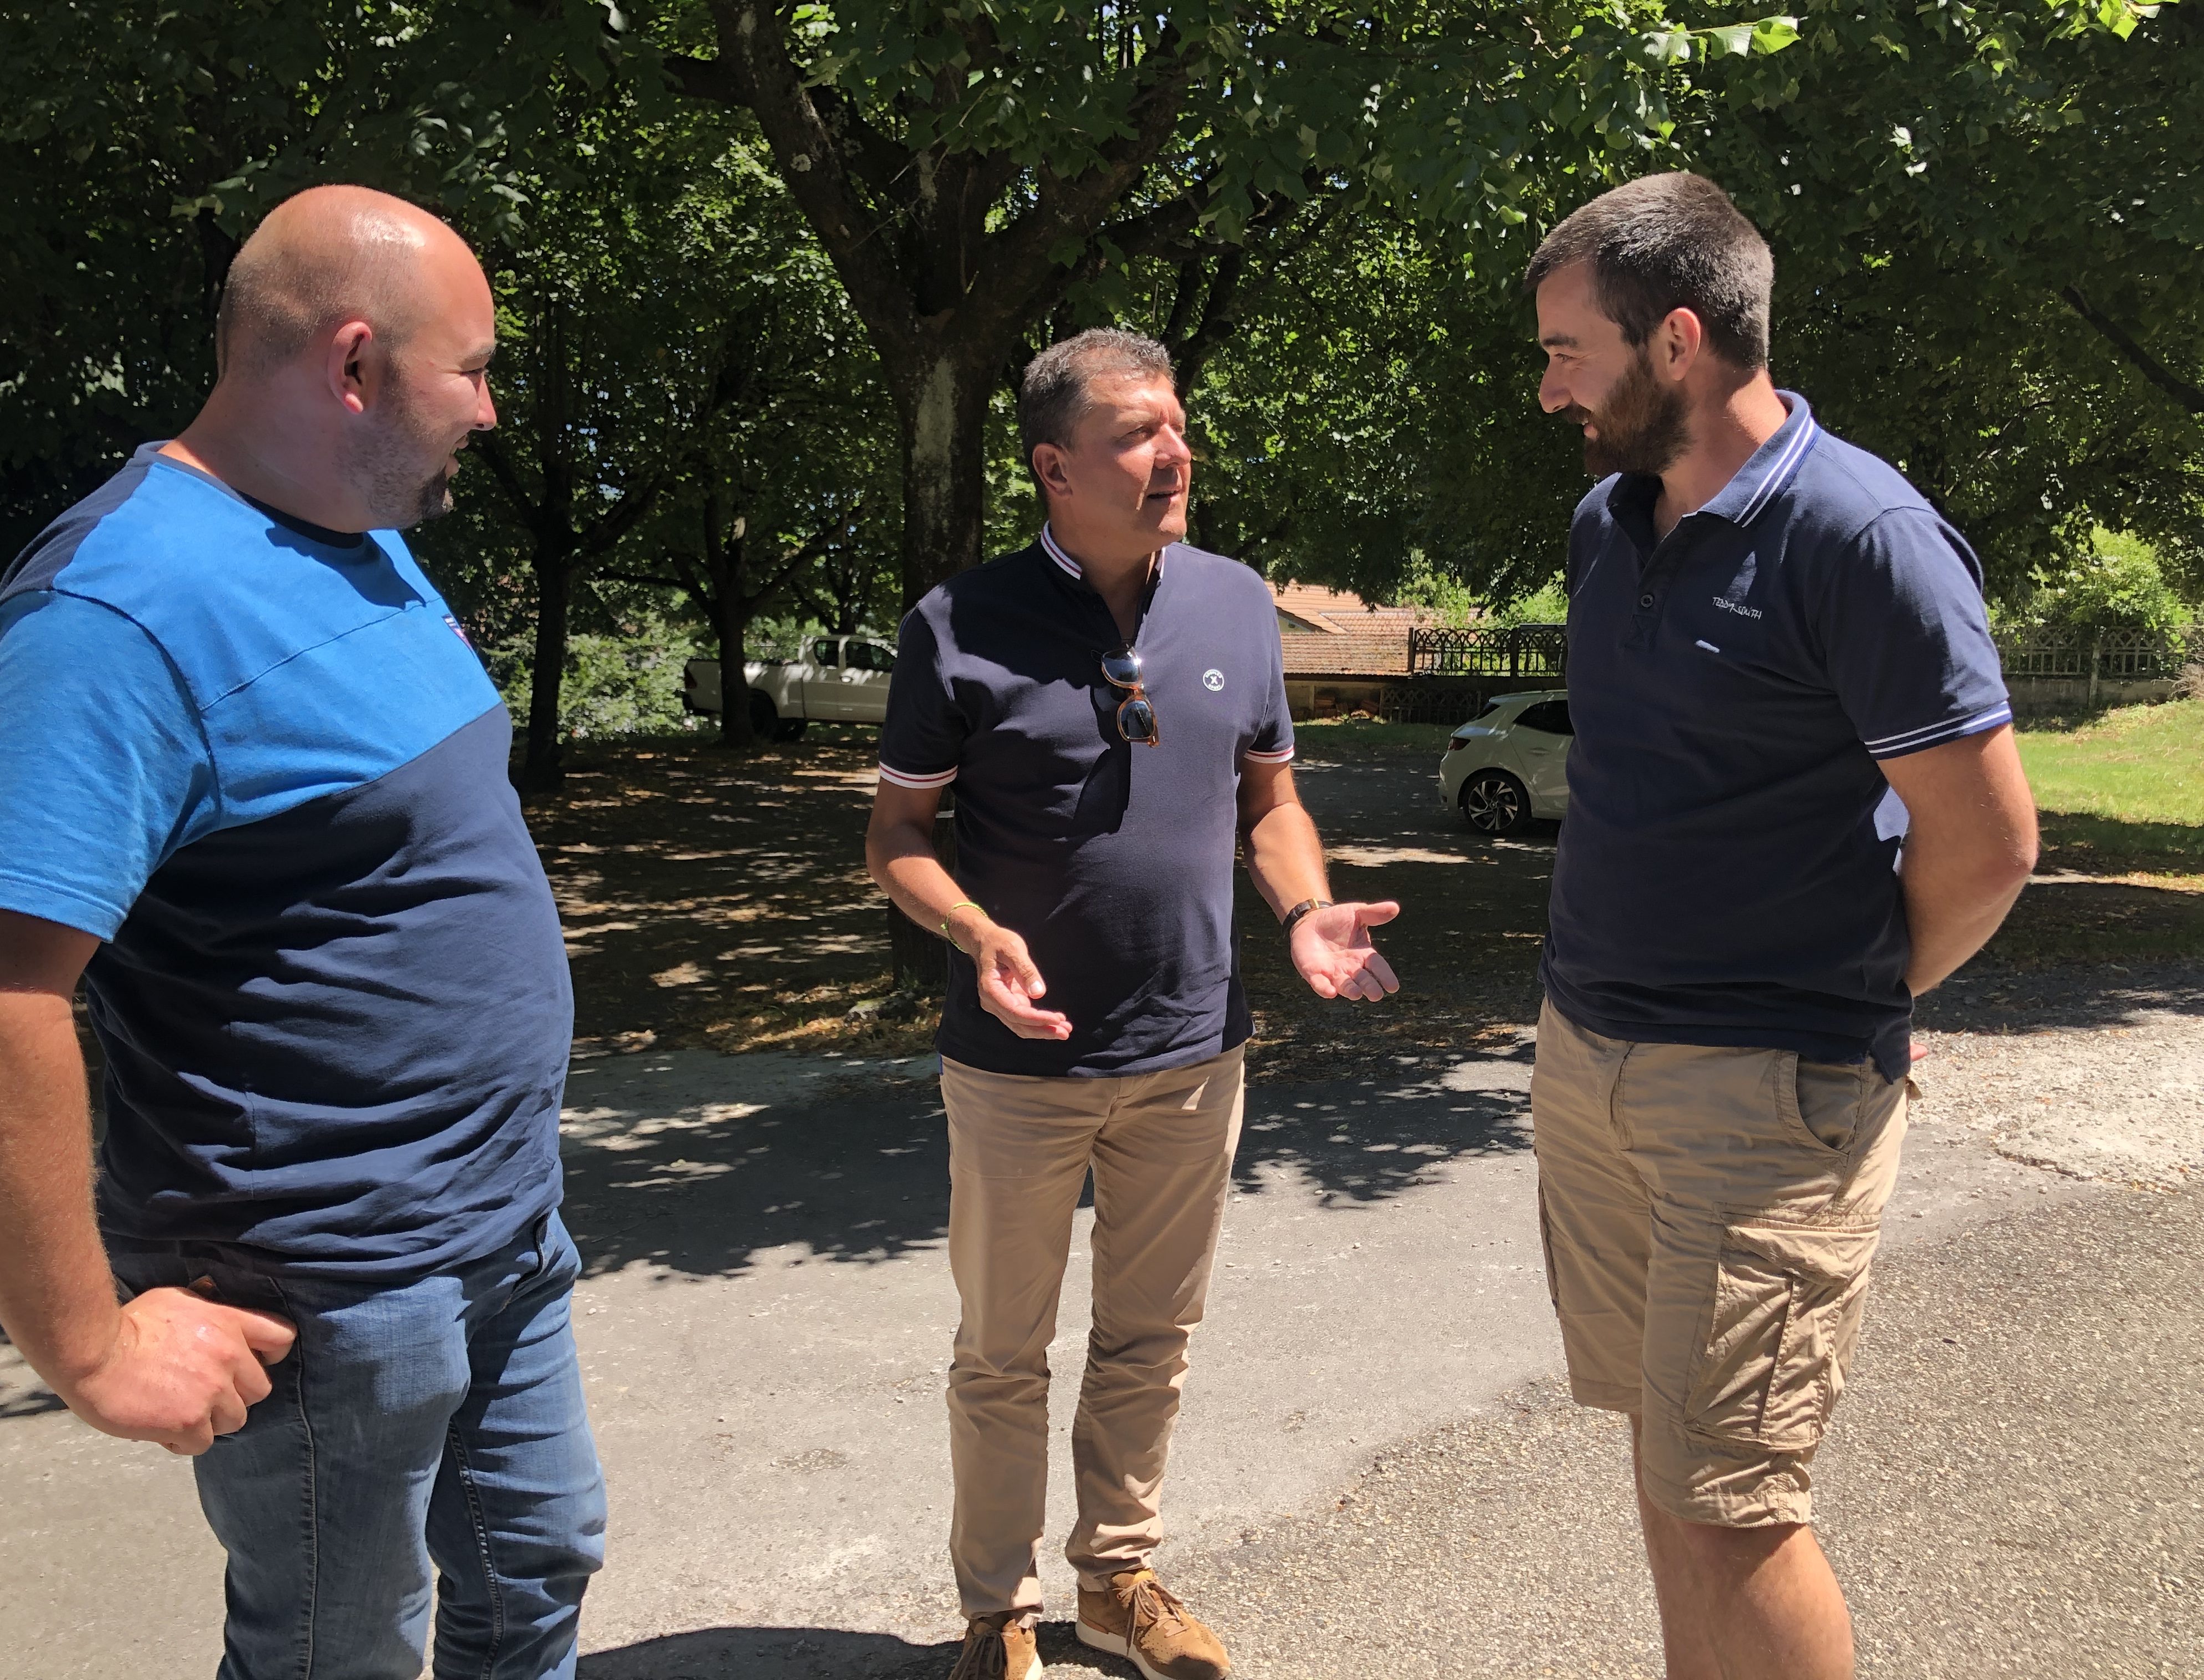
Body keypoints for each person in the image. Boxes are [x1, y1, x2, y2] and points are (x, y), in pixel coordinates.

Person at [0, 186, 604, 1679]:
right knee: (339, 1656)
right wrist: (88, 1347)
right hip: (329, 1294)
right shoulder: (113, 611)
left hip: (504, 1232)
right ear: (357, 366)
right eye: (477, 368)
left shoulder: (360, 533)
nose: (494, 412)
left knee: (536, 1576)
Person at [1521, 172, 2038, 1679]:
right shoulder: (1609, 522)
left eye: (1569, 350)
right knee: (1667, 1466)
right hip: (1588, 1059)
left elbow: (1991, 842)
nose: (1551, 388)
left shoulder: (1862, 534)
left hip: (1762, 1098)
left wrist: (1855, 990)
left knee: (1736, 1503)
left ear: (1676, 340)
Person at [866, 328, 1400, 1680]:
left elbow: (1269, 799)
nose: (1180, 454)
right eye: (1140, 434)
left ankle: (1118, 1580)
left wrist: (1302, 909)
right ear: (1054, 465)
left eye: (1179, 426)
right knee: (1003, 1352)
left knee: (1151, 1338)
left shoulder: (1232, 601)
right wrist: (975, 928)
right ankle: (1000, 1612)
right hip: (1016, 1066)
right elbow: (897, 840)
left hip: (1193, 1052)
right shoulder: (957, 625)